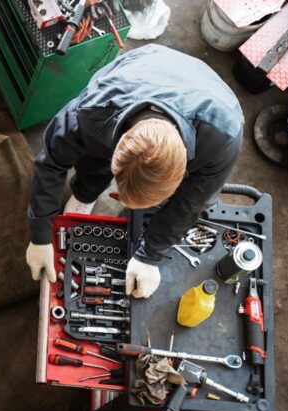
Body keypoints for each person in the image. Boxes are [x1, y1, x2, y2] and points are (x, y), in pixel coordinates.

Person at [25, 44, 243, 299]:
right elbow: (51, 161)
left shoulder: (223, 140)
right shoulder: (91, 112)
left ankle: (100, 194)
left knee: (189, 204)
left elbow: (190, 203)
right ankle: (85, 193)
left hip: (207, 94)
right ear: (117, 147)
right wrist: (40, 233)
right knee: (93, 161)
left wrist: (150, 255)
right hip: (145, 66)